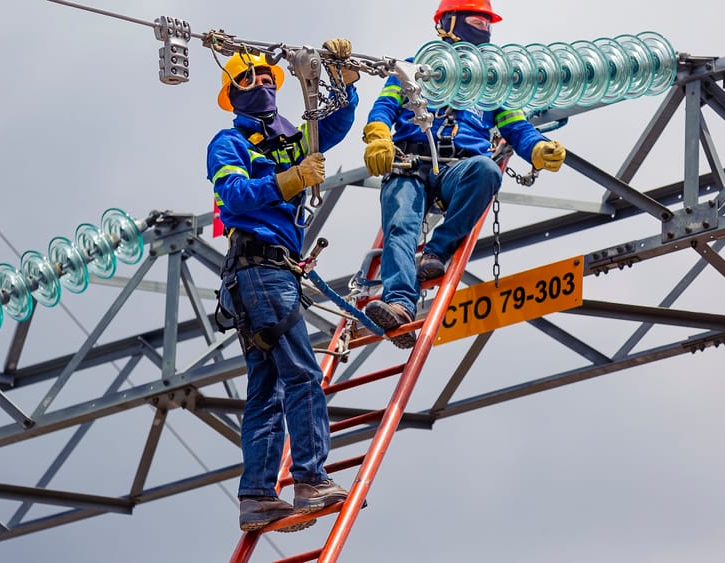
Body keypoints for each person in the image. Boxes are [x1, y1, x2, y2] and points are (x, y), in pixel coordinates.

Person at [207, 40, 360, 532]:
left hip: (263, 274)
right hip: (262, 270)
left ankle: (257, 496)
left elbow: (329, 127)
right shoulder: (230, 143)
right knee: (301, 374)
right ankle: (311, 478)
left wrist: (342, 84)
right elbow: (231, 193)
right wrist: (288, 181)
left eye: (267, 77)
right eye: (248, 79)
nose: (264, 83)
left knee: (268, 389)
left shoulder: (289, 136)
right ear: (232, 94)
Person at [361, 0, 567, 348]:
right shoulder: (414, 69)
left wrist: (537, 148)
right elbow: (384, 106)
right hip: (411, 164)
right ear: (449, 22)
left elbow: (517, 128)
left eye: (487, 24)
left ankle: (437, 253)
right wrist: (378, 135)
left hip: (459, 169)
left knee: (487, 170)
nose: (484, 30)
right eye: (476, 20)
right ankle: (399, 303)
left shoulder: (492, 85)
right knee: (400, 224)